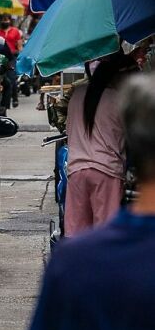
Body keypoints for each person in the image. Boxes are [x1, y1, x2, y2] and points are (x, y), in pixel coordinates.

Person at [17, 71, 155, 330]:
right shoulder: (115, 99)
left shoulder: (71, 263)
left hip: (78, 170)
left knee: (79, 237)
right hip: (107, 171)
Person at [64, 48, 138, 236]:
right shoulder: (120, 100)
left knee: (76, 234)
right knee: (105, 235)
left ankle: (77, 265)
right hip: (106, 171)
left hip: (76, 171)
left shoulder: (77, 95)